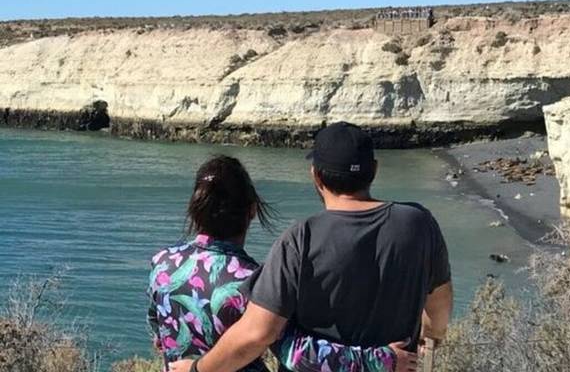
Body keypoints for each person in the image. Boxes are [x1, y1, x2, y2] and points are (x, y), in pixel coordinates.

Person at [170, 122, 453, 372]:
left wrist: (198, 369)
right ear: (374, 171)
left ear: (316, 176)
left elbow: (257, 333)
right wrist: (428, 340)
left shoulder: (300, 238)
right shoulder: (420, 223)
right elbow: (438, 309)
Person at [149, 155, 413, 372]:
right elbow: (298, 354)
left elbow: (158, 334)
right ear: (252, 210)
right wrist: (383, 360)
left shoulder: (161, 264)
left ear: (195, 209)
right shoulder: (252, 282)